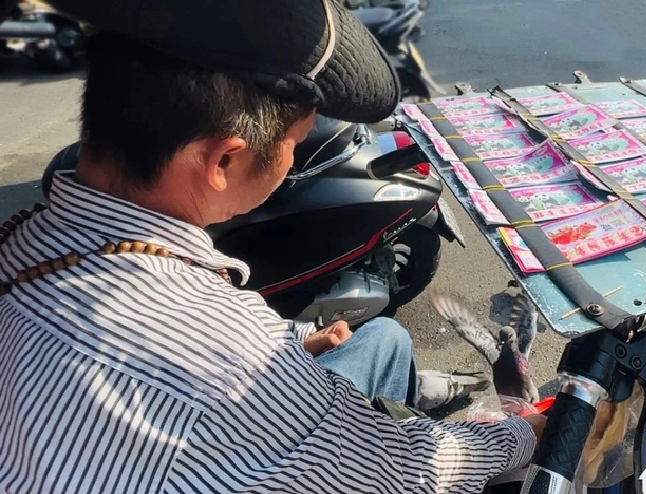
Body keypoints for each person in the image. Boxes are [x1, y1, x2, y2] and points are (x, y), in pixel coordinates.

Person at [0, 1, 545, 493]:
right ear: (223, 163)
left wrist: (297, 340)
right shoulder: (226, 357)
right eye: (294, 139)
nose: (290, 158)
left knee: (382, 337)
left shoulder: (26, 241)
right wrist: (524, 435)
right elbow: (401, 468)